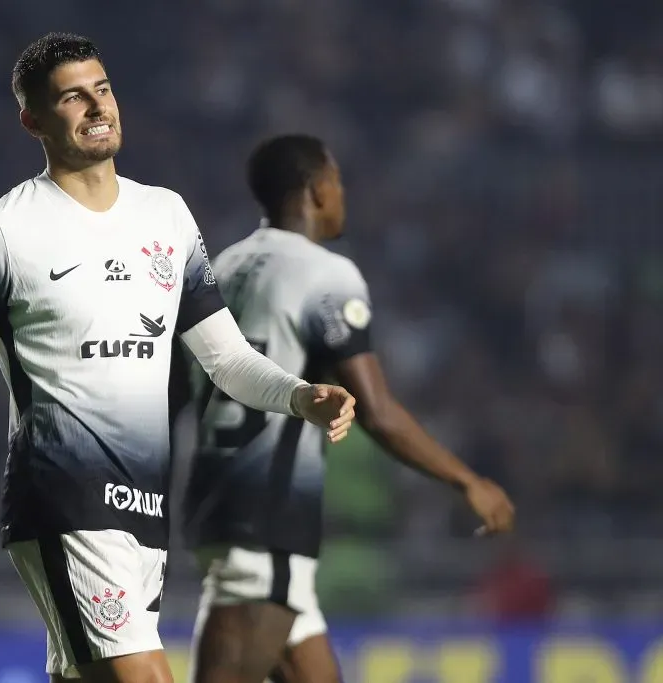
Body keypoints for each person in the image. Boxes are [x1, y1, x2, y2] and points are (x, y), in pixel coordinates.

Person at [0, 35, 357, 683]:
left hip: (145, 511)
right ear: (33, 121)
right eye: (73, 97)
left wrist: (299, 395)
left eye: (102, 88)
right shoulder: (0, 231)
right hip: (64, 503)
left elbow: (225, 358)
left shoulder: (166, 216)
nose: (97, 106)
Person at [176, 134, 516, 683]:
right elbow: (377, 411)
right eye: (336, 182)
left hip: (216, 501)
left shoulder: (223, 265)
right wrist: (467, 480)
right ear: (315, 191)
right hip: (267, 513)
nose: (342, 195)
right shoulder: (325, 274)